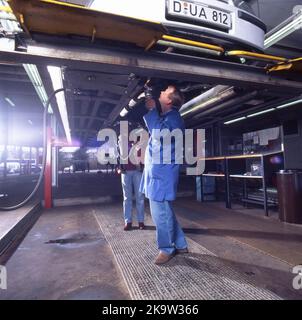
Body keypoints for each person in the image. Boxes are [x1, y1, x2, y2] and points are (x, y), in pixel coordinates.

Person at [140, 85, 188, 265]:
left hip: (162, 175)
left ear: (168, 100)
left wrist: (152, 109)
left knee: (160, 214)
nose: (160, 92)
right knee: (165, 211)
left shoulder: (174, 118)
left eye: (164, 91)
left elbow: (159, 134)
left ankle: (167, 249)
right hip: (157, 173)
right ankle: (181, 244)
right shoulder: (167, 117)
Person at [118, 134, 145, 231]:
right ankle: (128, 222)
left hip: (138, 171)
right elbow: (117, 154)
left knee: (140, 197)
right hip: (125, 172)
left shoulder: (139, 139)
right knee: (127, 198)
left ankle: (141, 221)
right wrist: (118, 167)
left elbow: (144, 154)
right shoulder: (121, 139)